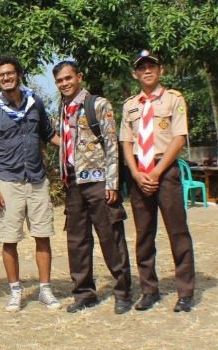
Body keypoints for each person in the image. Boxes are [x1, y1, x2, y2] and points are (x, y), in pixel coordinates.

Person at [0, 55, 62, 312]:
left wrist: (76, 144)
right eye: (1, 75)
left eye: (10, 73)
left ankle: (45, 290)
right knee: (9, 239)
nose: (6, 78)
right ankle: (15, 290)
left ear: (18, 75)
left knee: (43, 236)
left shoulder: (35, 104)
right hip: (8, 182)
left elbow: (49, 135)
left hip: (36, 180)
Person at [53, 61, 132, 314]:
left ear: (79, 77)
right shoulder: (62, 107)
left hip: (98, 182)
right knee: (77, 241)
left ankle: (122, 291)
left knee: (110, 237)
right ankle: (84, 293)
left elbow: (111, 143)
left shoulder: (98, 104)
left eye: (68, 78)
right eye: (59, 80)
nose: (64, 83)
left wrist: (112, 182)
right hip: (73, 182)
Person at [120, 50, 196, 312]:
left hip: (165, 171)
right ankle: (149, 290)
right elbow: (127, 141)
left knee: (178, 231)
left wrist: (156, 172)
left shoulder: (174, 99)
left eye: (152, 66)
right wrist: (136, 173)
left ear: (161, 70)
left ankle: (185, 291)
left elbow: (179, 138)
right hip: (139, 173)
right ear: (135, 74)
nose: (147, 71)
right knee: (144, 234)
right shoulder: (130, 104)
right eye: (142, 68)